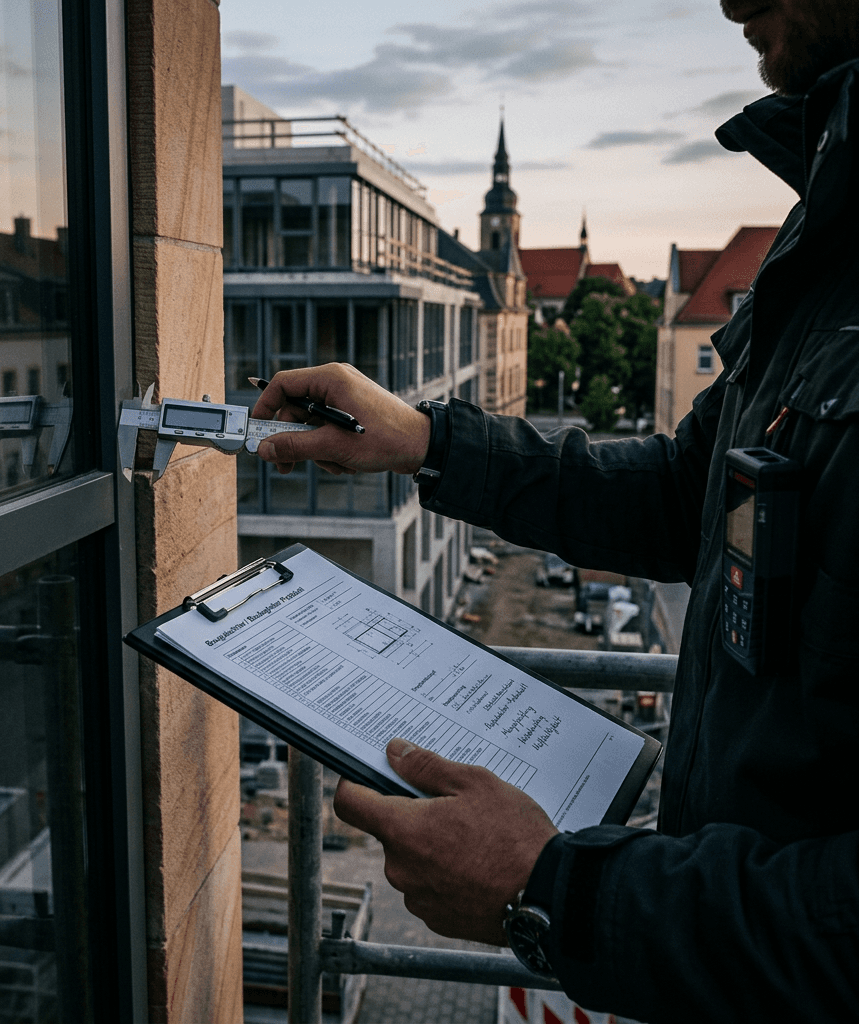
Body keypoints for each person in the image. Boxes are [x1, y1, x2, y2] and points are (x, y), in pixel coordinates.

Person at [248, 2, 859, 1019]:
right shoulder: (830, 221)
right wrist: (434, 442)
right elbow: (684, 491)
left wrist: (559, 892)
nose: (728, 1)